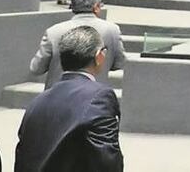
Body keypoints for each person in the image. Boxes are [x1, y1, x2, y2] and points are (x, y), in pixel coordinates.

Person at [16, 25, 124, 171]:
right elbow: (107, 161)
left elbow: (21, 157)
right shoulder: (100, 97)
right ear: (98, 56)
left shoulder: (36, 102)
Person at [30, 0, 126, 89]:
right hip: (94, 93)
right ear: (96, 7)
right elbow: (119, 63)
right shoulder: (112, 30)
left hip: (57, 93)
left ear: (72, 6)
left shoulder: (53, 31)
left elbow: (36, 68)